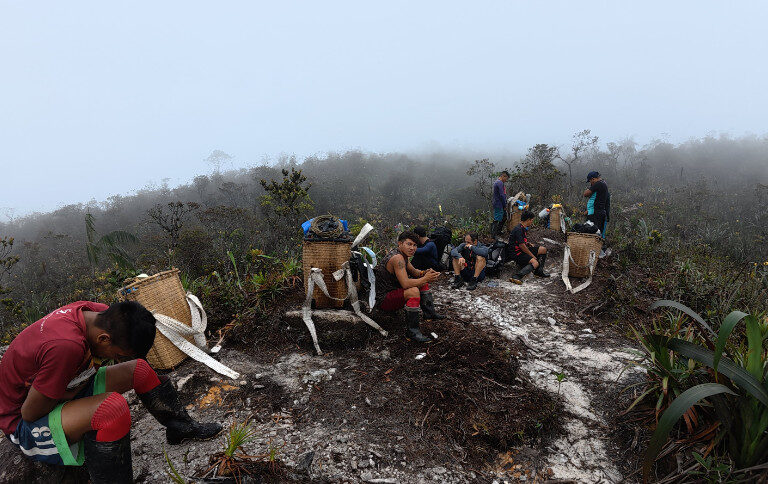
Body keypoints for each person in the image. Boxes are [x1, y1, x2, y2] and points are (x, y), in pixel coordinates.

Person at [0, 300, 222, 483]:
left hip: (65, 388)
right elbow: (30, 413)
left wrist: (72, 388)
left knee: (141, 370)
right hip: (24, 422)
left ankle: (180, 427)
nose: (117, 360)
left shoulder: (94, 313)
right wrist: (69, 393)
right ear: (104, 338)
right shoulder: (66, 346)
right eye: (118, 355)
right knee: (112, 409)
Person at [374, 231, 443, 343]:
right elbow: (405, 284)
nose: (412, 248)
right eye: (409, 244)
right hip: (384, 299)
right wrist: (426, 278)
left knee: (422, 283)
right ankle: (412, 332)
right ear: (400, 244)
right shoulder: (397, 258)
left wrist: (425, 273)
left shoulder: (403, 256)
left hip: (394, 292)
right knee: (413, 291)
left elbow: (415, 272)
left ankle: (429, 314)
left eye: (415, 245)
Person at [508, 211, 550, 284]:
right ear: (528, 220)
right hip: (516, 253)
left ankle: (538, 272)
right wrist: (532, 256)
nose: (532, 222)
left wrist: (527, 243)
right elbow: (522, 246)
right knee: (535, 262)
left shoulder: (522, 228)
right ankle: (517, 276)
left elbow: (520, 241)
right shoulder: (518, 229)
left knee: (543, 249)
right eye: (531, 220)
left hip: (521, 250)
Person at [583, 171, 610, 239]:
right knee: (597, 232)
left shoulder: (598, 184)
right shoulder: (604, 184)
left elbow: (585, 194)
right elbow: (606, 201)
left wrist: (588, 189)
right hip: (599, 212)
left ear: (593, 179)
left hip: (596, 214)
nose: (591, 183)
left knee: (592, 233)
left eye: (590, 181)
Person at [491, 171, 510, 238]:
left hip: (498, 203)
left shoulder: (498, 182)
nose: (506, 180)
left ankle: (498, 231)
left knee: (504, 217)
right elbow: (502, 195)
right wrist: (504, 205)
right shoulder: (500, 183)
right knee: (497, 219)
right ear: (503, 176)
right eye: (506, 178)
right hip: (499, 204)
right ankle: (493, 235)